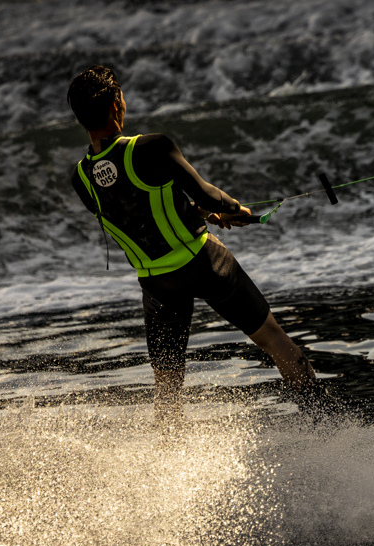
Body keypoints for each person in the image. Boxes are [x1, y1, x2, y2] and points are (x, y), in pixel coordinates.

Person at [67, 65, 324, 423]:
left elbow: (138, 216)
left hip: (157, 283)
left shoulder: (81, 178)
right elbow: (206, 194)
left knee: (168, 385)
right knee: (272, 338)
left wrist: (202, 213)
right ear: (115, 104)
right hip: (205, 263)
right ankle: (327, 426)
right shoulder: (152, 147)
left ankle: (170, 462)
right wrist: (234, 209)